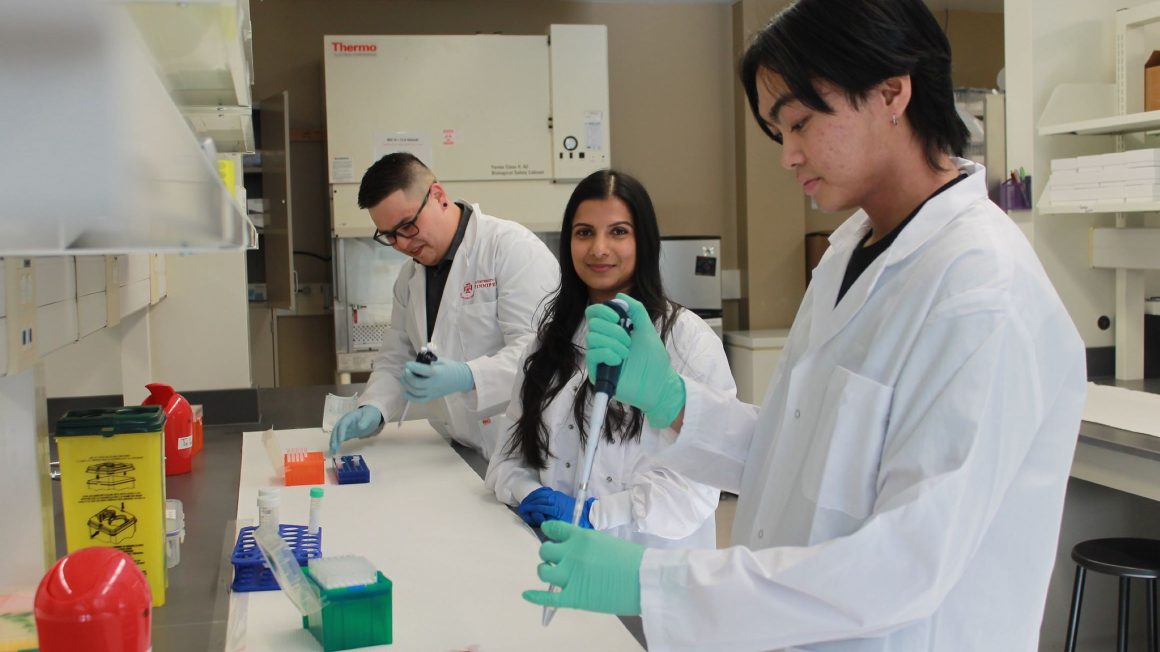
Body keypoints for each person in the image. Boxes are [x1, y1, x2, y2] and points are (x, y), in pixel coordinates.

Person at [522, 0, 1088, 649]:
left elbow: (906, 564)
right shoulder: (851, 250)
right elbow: (802, 451)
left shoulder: (981, 291)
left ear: (890, 92)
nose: (788, 156)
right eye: (777, 132)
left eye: (800, 123)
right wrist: (676, 403)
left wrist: (656, 582)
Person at [485, 169, 734, 549]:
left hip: (648, 572)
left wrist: (595, 513)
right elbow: (509, 458)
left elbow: (696, 488)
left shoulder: (688, 341)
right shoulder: (548, 343)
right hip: (558, 555)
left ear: (644, 242)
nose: (598, 248)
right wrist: (526, 491)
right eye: (584, 232)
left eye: (618, 232)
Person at [329, 152, 559, 460]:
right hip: (467, 448)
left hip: (528, 448)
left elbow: (539, 355)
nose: (402, 244)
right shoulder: (410, 276)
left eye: (407, 226)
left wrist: (468, 376)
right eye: (389, 236)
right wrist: (375, 407)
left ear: (438, 196)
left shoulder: (512, 250)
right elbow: (399, 355)